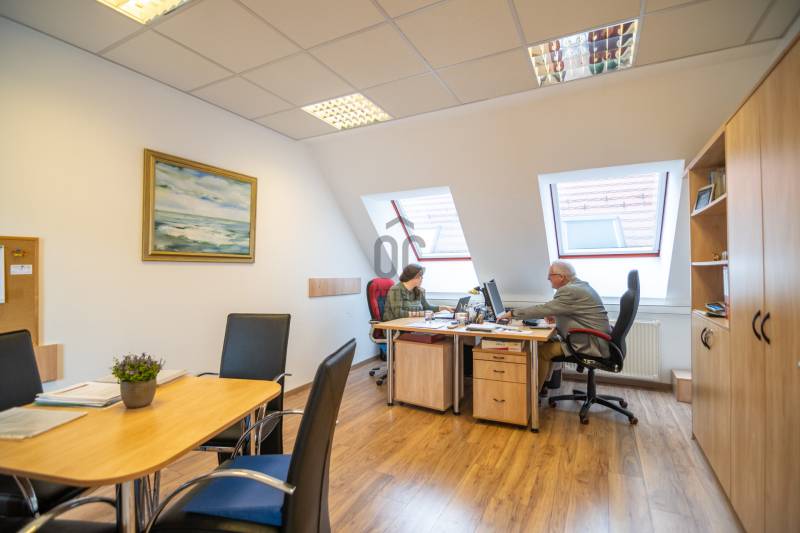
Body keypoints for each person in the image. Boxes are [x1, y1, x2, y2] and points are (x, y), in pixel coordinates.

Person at [496, 261, 610, 393]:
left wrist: (512, 314)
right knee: (545, 342)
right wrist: (556, 316)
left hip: (591, 344)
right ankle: (544, 385)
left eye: (550, 275)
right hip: (595, 339)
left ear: (561, 277)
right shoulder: (580, 286)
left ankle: (534, 394)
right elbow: (576, 312)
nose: (548, 279)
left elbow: (542, 309)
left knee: (542, 352)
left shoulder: (570, 291)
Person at [382, 264, 454, 321]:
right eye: (420, 276)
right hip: (396, 328)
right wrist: (421, 314)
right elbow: (398, 313)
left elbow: (427, 307)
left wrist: (444, 307)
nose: (422, 278)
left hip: (413, 324)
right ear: (411, 277)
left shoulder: (419, 290)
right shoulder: (396, 290)